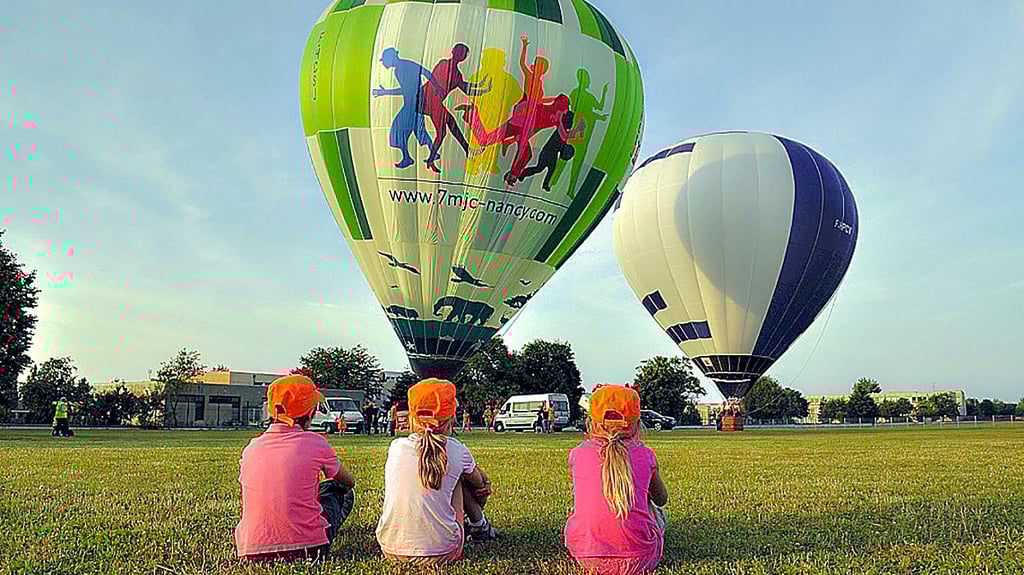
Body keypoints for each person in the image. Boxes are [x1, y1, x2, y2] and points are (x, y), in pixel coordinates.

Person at [377, 379, 498, 565]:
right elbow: (479, 482)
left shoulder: (396, 447)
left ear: (411, 416)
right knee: (458, 478)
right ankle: (479, 526)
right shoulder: (456, 449)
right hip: (444, 551)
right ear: (451, 417)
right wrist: (485, 485)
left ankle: (478, 525)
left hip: (391, 549)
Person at [235, 375, 356, 562]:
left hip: (252, 551)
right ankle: (318, 533)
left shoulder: (252, 448)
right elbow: (348, 482)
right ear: (311, 412)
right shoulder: (316, 442)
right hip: (309, 550)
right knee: (338, 490)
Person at [564, 384, 668, 575]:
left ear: (592, 422)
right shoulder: (646, 455)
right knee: (657, 512)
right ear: (637, 423)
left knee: (575, 514)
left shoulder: (577, 454)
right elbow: (661, 499)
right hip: (641, 559)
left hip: (588, 558)